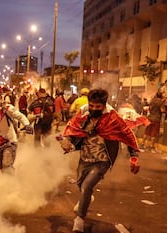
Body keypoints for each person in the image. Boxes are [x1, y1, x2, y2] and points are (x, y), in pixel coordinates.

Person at [59, 88, 140, 233]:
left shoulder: (113, 117)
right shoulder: (84, 113)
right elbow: (73, 128)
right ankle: (86, 197)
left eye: (98, 107)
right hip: (85, 157)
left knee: (86, 186)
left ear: (104, 105)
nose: (94, 109)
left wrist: (134, 156)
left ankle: (79, 220)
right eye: (92, 106)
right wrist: (67, 140)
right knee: (81, 184)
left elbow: (127, 134)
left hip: (103, 160)